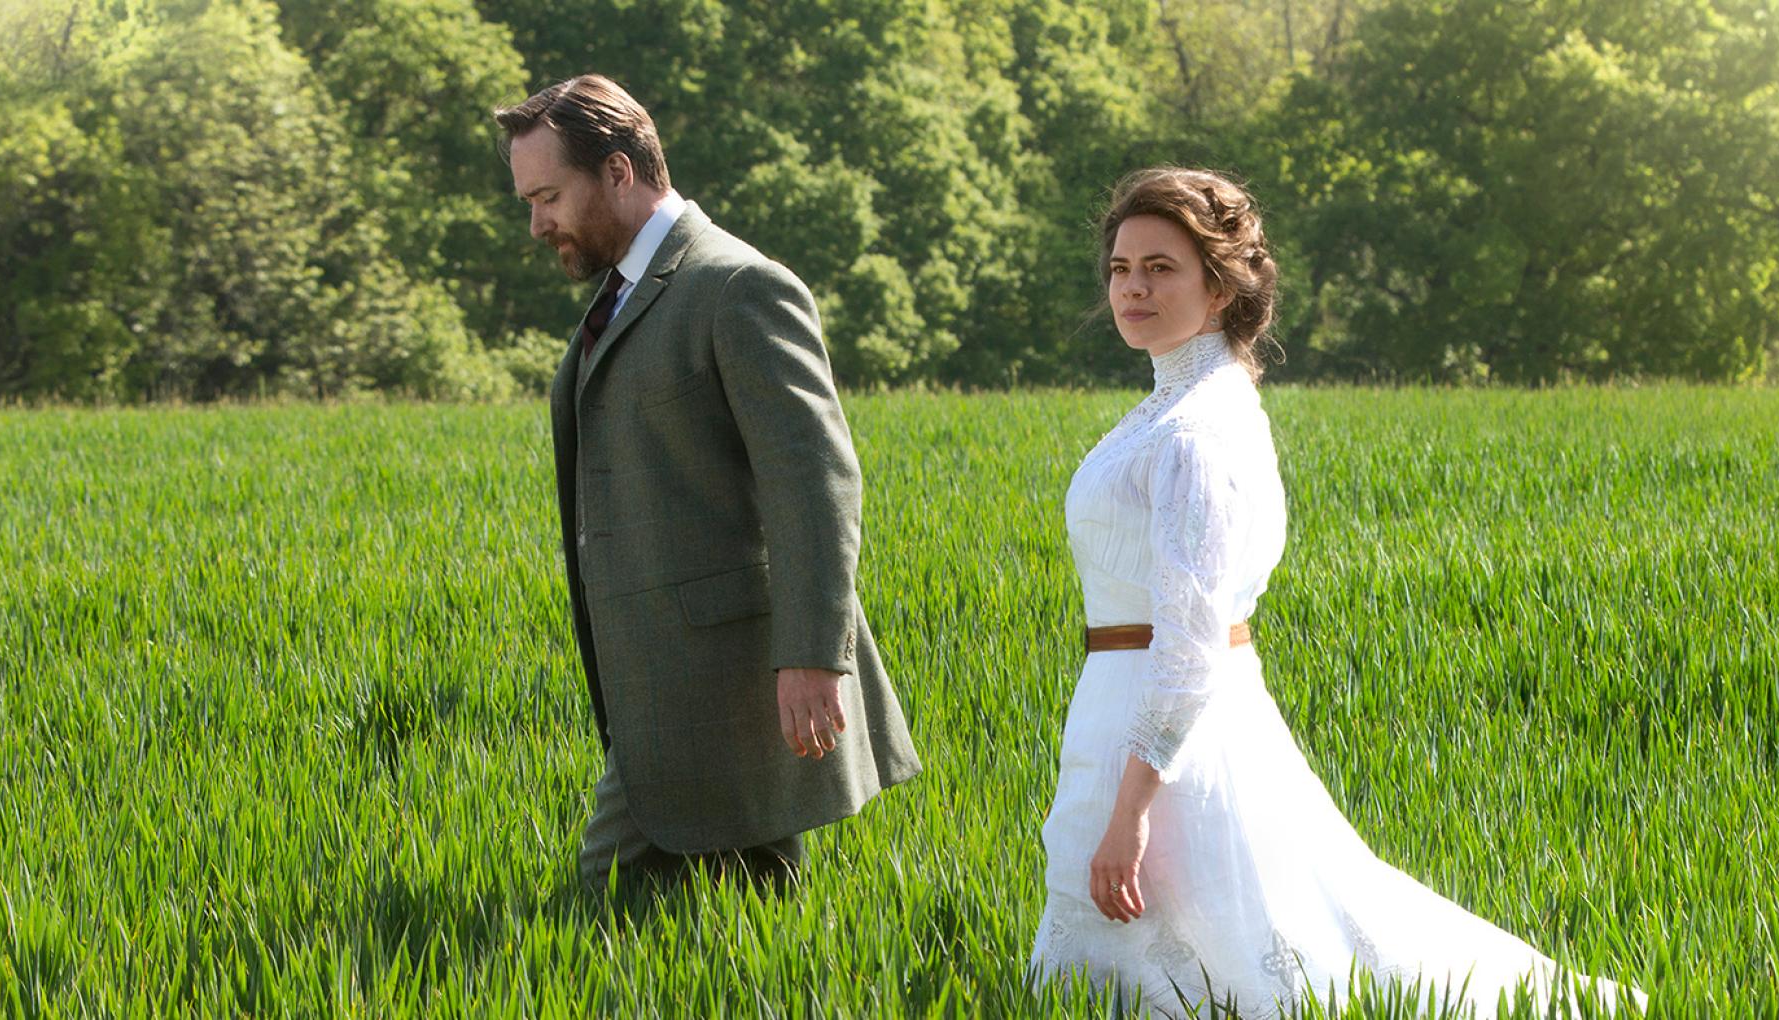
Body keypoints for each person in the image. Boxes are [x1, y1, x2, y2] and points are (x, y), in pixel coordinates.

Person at [1029, 167, 1646, 1015]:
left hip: (1164, 736)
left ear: (1218, 289)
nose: (1132, 286)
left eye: (1161, 268)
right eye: (1120, 267)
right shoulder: (1178, 407)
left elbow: (1190, 644)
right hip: (1125, 708)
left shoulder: (1197, 429)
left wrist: (1131, 810)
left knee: (1228, 966)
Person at [494, 74, 919, 890]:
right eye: (528, 201)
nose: (538, 222)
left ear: (618, 171)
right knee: (740, 908)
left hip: (730, 679)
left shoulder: (736, 287)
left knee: (608, 899)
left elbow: (815, 480)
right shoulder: (620, 296)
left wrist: (810, 656)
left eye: (547, 196)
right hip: (660, 683)